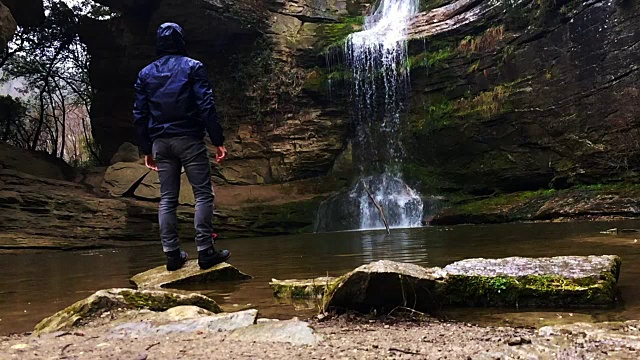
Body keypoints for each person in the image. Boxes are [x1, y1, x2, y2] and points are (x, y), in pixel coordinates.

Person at [133, 22, 230, 271]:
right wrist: (218, 140)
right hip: (189, 139)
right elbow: (206, 106)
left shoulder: (145, 74)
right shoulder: (193, 67)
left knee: (167, 199)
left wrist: (146, 149)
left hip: (161, 143)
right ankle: (206, 251)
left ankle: (172, 256)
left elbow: (140, 114)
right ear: (180, 41)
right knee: (203, 195)